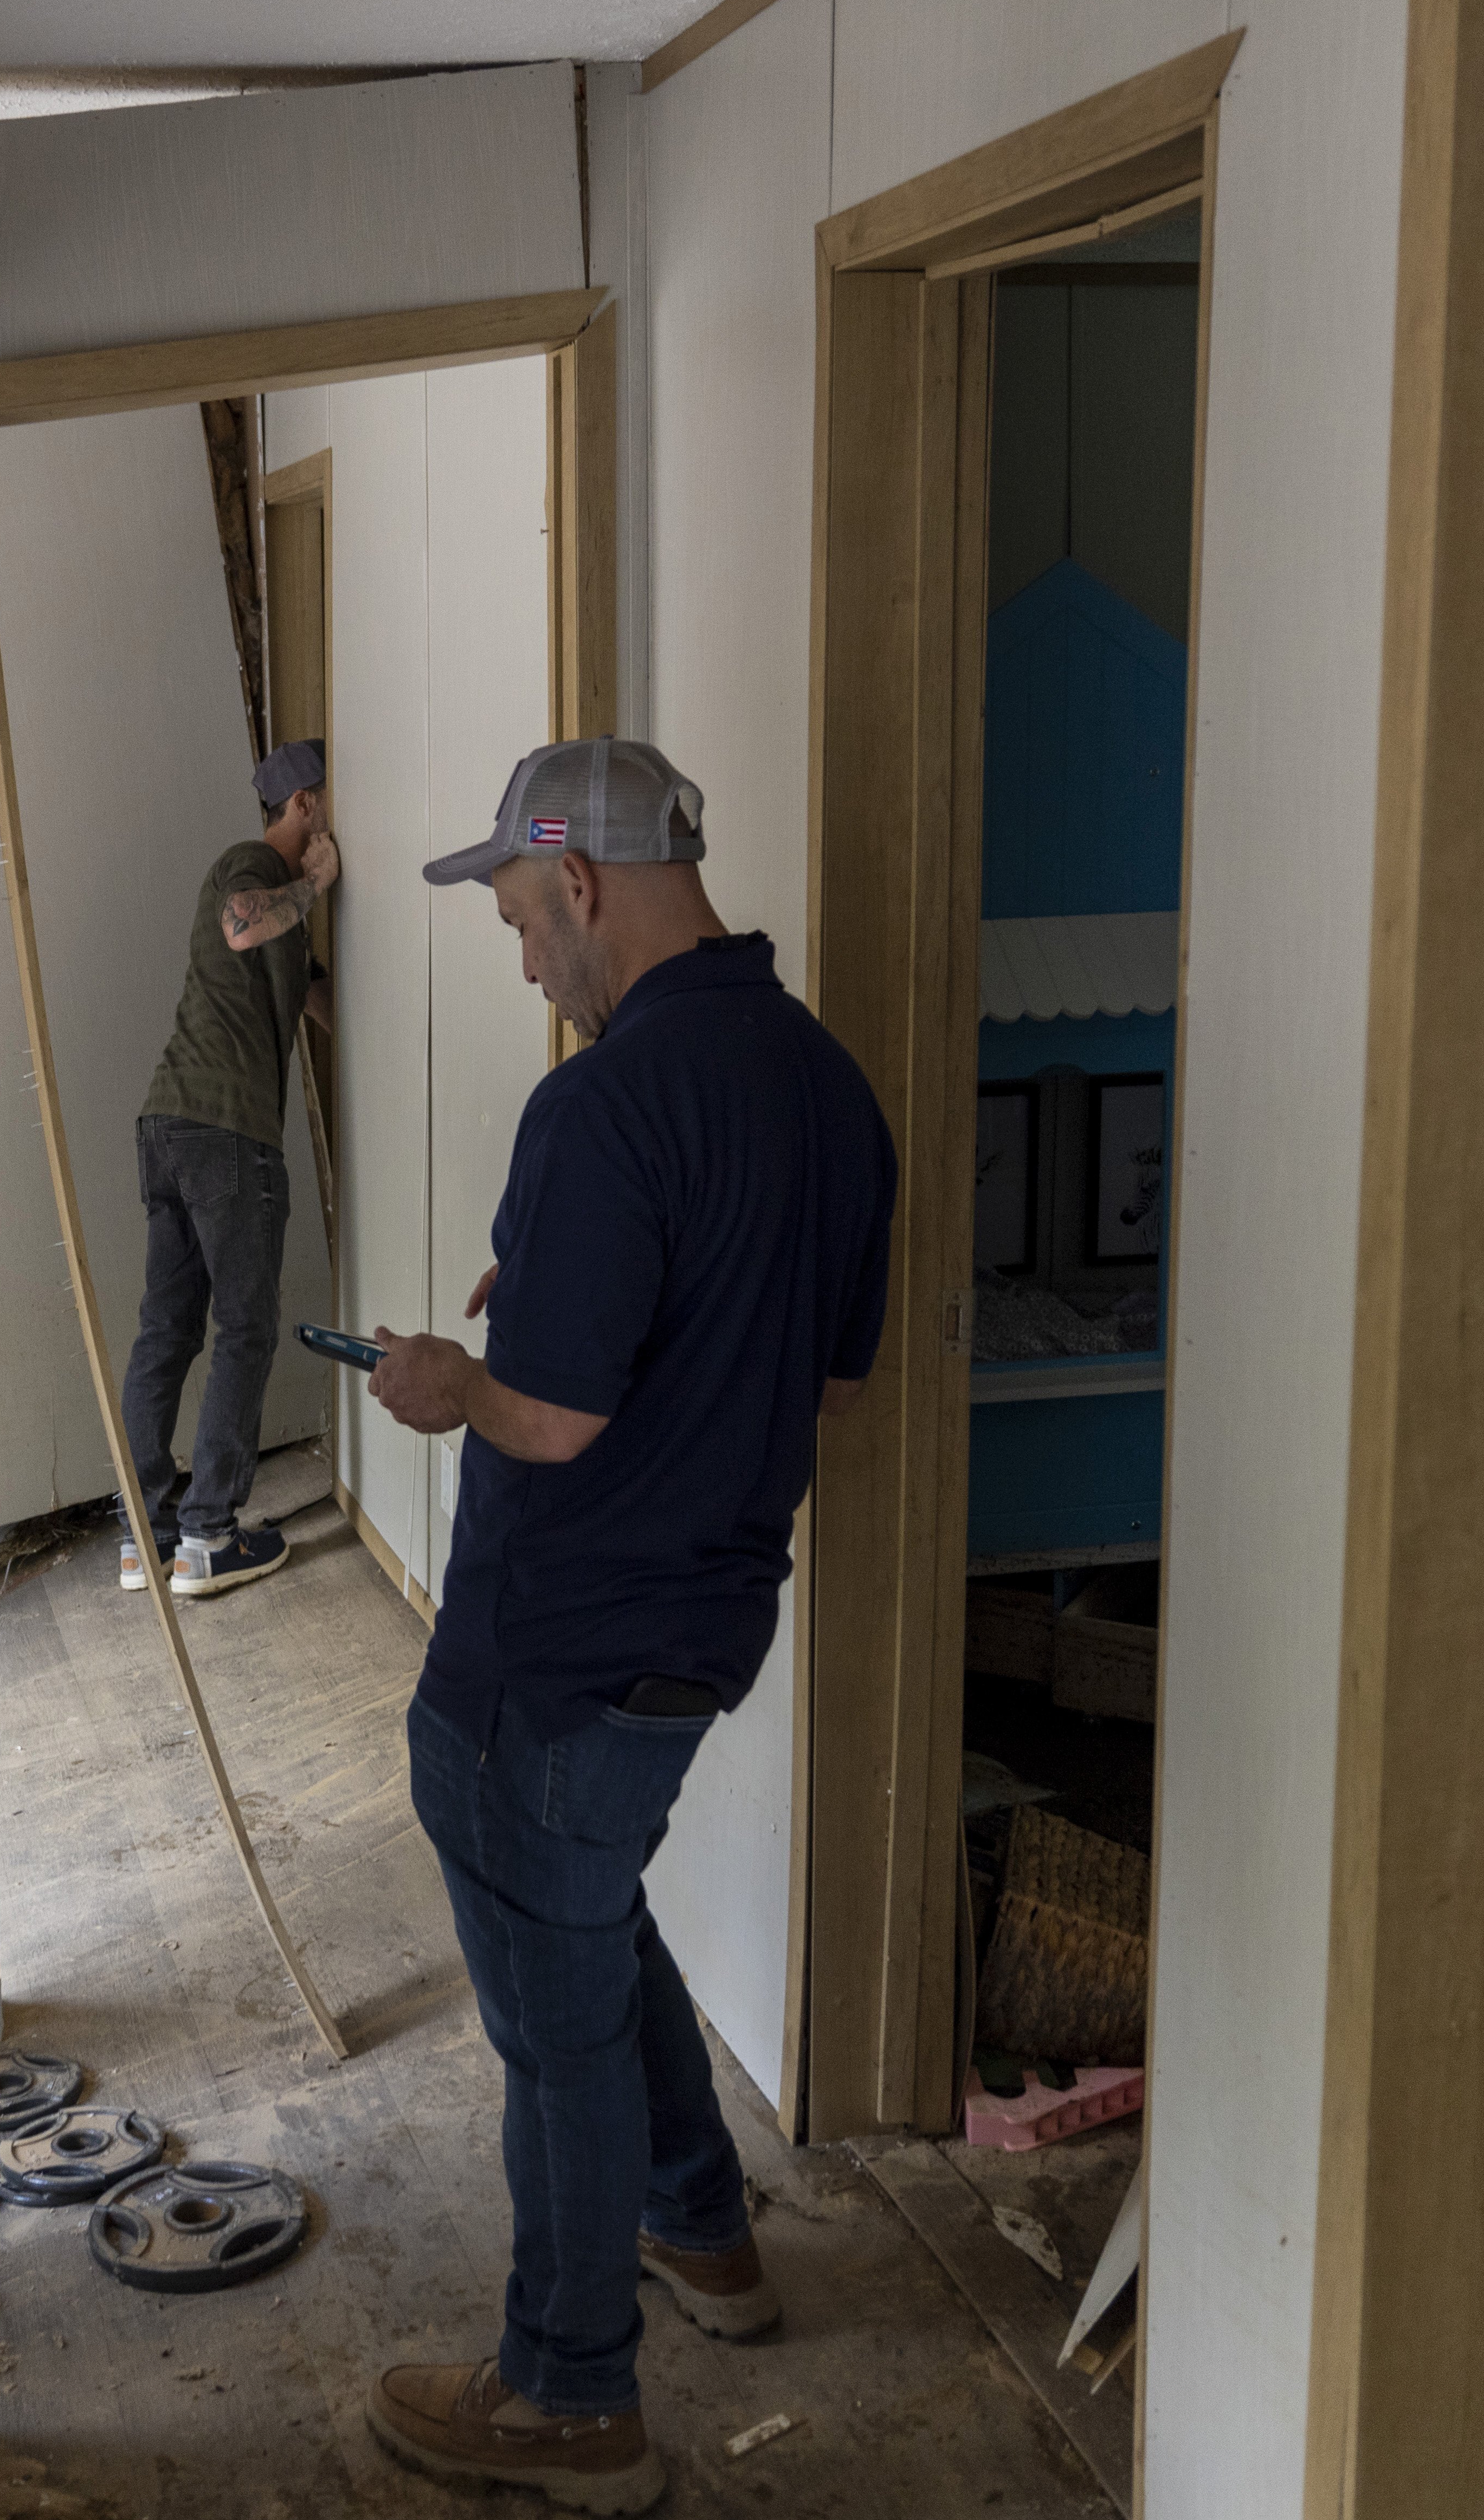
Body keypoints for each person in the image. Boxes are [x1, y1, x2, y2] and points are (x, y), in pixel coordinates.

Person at [358, 736, 895, 2515]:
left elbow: (559, 1419)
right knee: (588, 1920)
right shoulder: (829, 1090)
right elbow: (819, 1383)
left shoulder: (599, 1105)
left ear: (579, 880)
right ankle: (700, 2227)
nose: (529, 960)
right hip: (702, 1633)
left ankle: (570, 2395)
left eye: (524, 919)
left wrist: (451, 1382)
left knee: (554, 2019)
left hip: (552, 1651)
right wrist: (570, 1300)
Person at [117, 735, 339, 1598]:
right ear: (305, 806)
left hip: (171, 1122)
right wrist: (316, 883)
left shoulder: (280, 906)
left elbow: (314, 997)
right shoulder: (251, 865)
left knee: (168, 1327)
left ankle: (146, 1536)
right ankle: (207, 1538)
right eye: (330, 801)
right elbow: (244, 923)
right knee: (243, 1328)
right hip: (225, 1132)